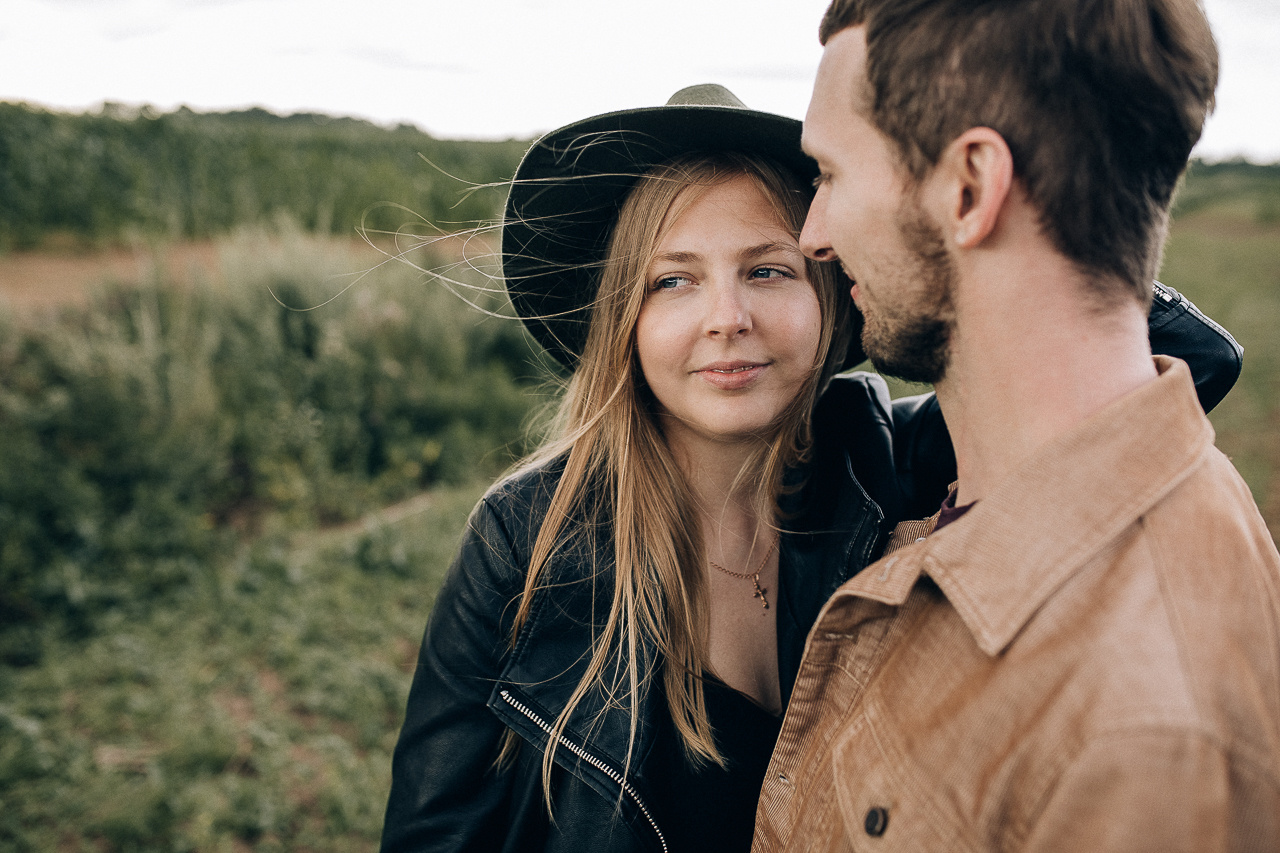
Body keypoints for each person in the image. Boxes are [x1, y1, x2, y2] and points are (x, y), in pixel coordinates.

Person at [379, 85, 1242, 853]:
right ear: (623, 321)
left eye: (767, 269)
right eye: (673, 282)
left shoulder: (878, 459)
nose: (728, 316)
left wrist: (928, 253)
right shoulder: (525, 542)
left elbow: (1191, 360)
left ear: (831, 290)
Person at [752, 1, 1280, 851]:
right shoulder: (978, 488)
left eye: (832, 175)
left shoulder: (1145, 742)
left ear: (969, 189)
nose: (812, 234)